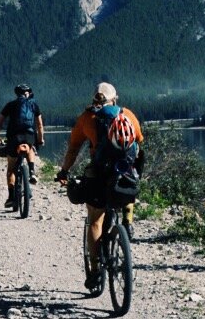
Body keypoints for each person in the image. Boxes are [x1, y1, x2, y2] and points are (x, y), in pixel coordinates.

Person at [55, 81, 144, 295]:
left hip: (99, 174)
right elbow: (139, 143)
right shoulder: (128, 114)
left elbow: (74, 148)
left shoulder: (87, 118)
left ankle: (95, 271)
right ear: (115, 98)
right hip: (123, 173)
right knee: (127, 184)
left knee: (95, 220)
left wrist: (64, 171)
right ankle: (128, 219)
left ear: (94, 98)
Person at [0, 83, 44, 210]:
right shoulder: (33, 104)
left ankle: (10, 197)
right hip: (29, 135)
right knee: (30, 147)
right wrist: (40, 140)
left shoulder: (10, 105)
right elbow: (40, 125)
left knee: (11, 169)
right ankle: (31, 171)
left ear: (17, 94)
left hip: (14, 137)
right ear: (28, 93)